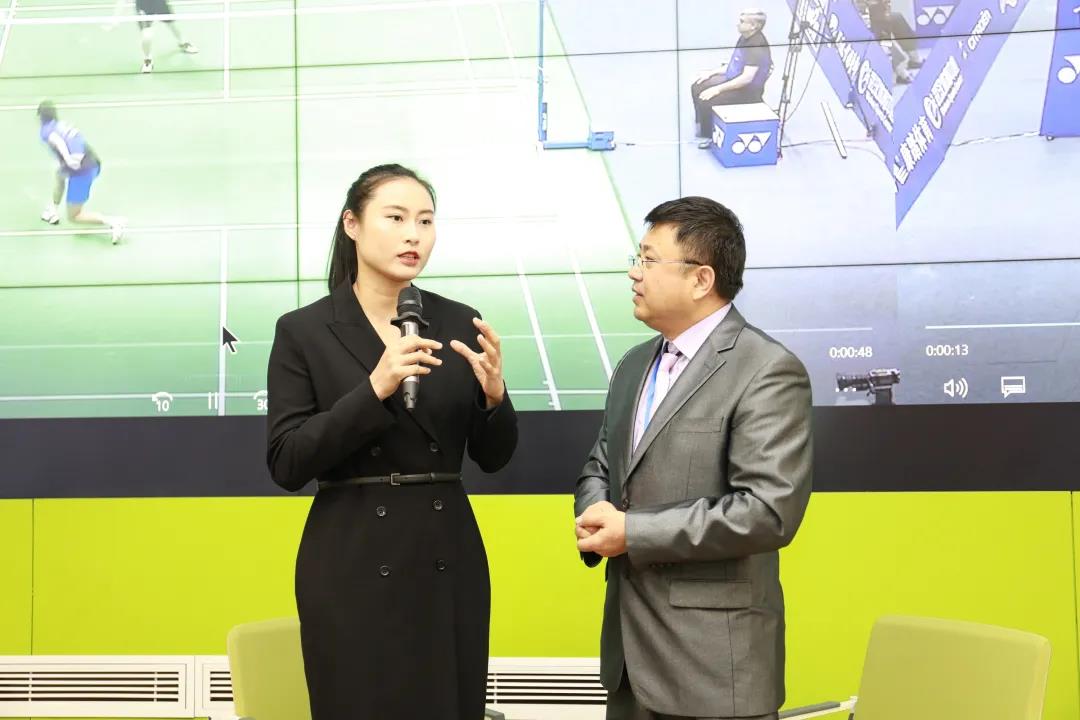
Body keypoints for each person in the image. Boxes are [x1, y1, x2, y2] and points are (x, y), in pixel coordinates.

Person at [266, 163, 518, 719]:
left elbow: (495, 457)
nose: (414, 235)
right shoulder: (304, 330)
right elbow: (287, 461)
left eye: (426, 221)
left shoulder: (459, 321)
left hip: (446, 555)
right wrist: (374, 389)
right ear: (352, 225)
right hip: (350, 558)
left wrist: (494, 397)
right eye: (397, 218)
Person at [574, 196, 812, 720]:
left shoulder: (766, 369)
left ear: (702, 279)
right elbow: (601, 465)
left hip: (714, 668)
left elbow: (768, 511)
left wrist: (632, 532)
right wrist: (595, 513)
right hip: (630, 664)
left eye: (648, 259)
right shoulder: (634, 365)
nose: (634, 273)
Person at [37, 101, 125, 244]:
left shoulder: (46, 130)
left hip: (82, 170)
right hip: (90, 159)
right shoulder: (60, 124)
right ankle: (53, 209)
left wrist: (68, 159)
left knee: (74, 216)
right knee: (59, 175)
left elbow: (58, 141)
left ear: (40, 117)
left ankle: (113, 222)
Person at [690, 9, 773, 149]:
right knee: (698, 86)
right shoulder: (745, 37)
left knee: (707, 100)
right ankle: (703, 127)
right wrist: (711, 73)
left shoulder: (756, 46)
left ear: (753, 26)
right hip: (734, 79)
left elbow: (746, 78)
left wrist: (717, 89)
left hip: (747, 91)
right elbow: (735, 64)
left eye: (742, 21)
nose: (737, 24)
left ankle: (712, 137)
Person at [135, 0, 198, 73]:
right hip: (143, 5)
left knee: (172, 24)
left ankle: (183, 43)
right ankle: (147, 59)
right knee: (146, 35)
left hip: (159, 2)